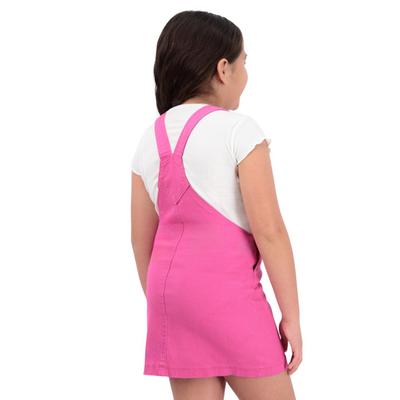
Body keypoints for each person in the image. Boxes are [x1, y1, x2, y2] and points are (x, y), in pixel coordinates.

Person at [131, 10, 302, 400]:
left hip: (172, 301)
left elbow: (141, 241)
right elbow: (270, 232)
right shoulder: (238, 130)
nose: (246, 73)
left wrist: (168, 305)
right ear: (223, 69)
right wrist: (291, 316)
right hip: (229, 298)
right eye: (244, 62)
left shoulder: (149, 139)